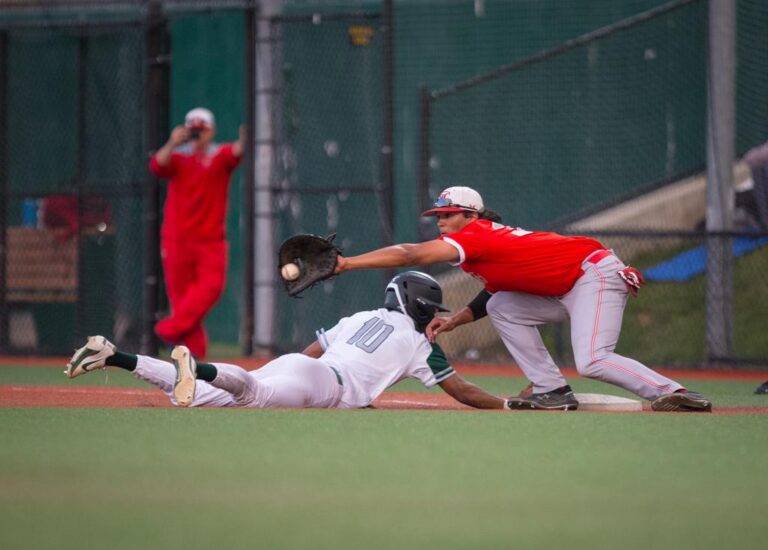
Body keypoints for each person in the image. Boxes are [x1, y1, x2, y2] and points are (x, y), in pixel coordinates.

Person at [334, 185, 713, 412]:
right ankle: (552, 390)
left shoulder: (477, 234)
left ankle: (676, 393)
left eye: (448, 215)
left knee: (594, 359)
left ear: (470, 215)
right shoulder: (481, 246)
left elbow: (409, 255)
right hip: (569, 287)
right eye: (439, 215)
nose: (441, 221)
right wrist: (453, 321)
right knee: (502, 306)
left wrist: (347, 263)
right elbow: (491, 296)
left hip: (593, 274)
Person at [65, 271, 507, 410]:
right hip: (325, 385)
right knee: (253, 396)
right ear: (420, 307)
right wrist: (504, 404)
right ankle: (195, 365)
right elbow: (462, 390)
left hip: (300, 366)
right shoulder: (419, 342)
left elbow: (308, 354)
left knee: (197, 399)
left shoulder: (361, 316)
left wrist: (293, 373)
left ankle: (115, 355)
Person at [149, 107, 245, 358]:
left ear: (211, 131)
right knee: (182, 300)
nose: (197, 135)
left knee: (211, 287)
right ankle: (194, 355)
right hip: (176, 237)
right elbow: (157, 166)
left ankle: (168, 329)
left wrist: (246, 138)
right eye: (193, 130)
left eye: (201, 130)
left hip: (210, 239)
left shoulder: (218, 155)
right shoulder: (178, 157)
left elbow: (237, 151)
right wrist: (172, 141)